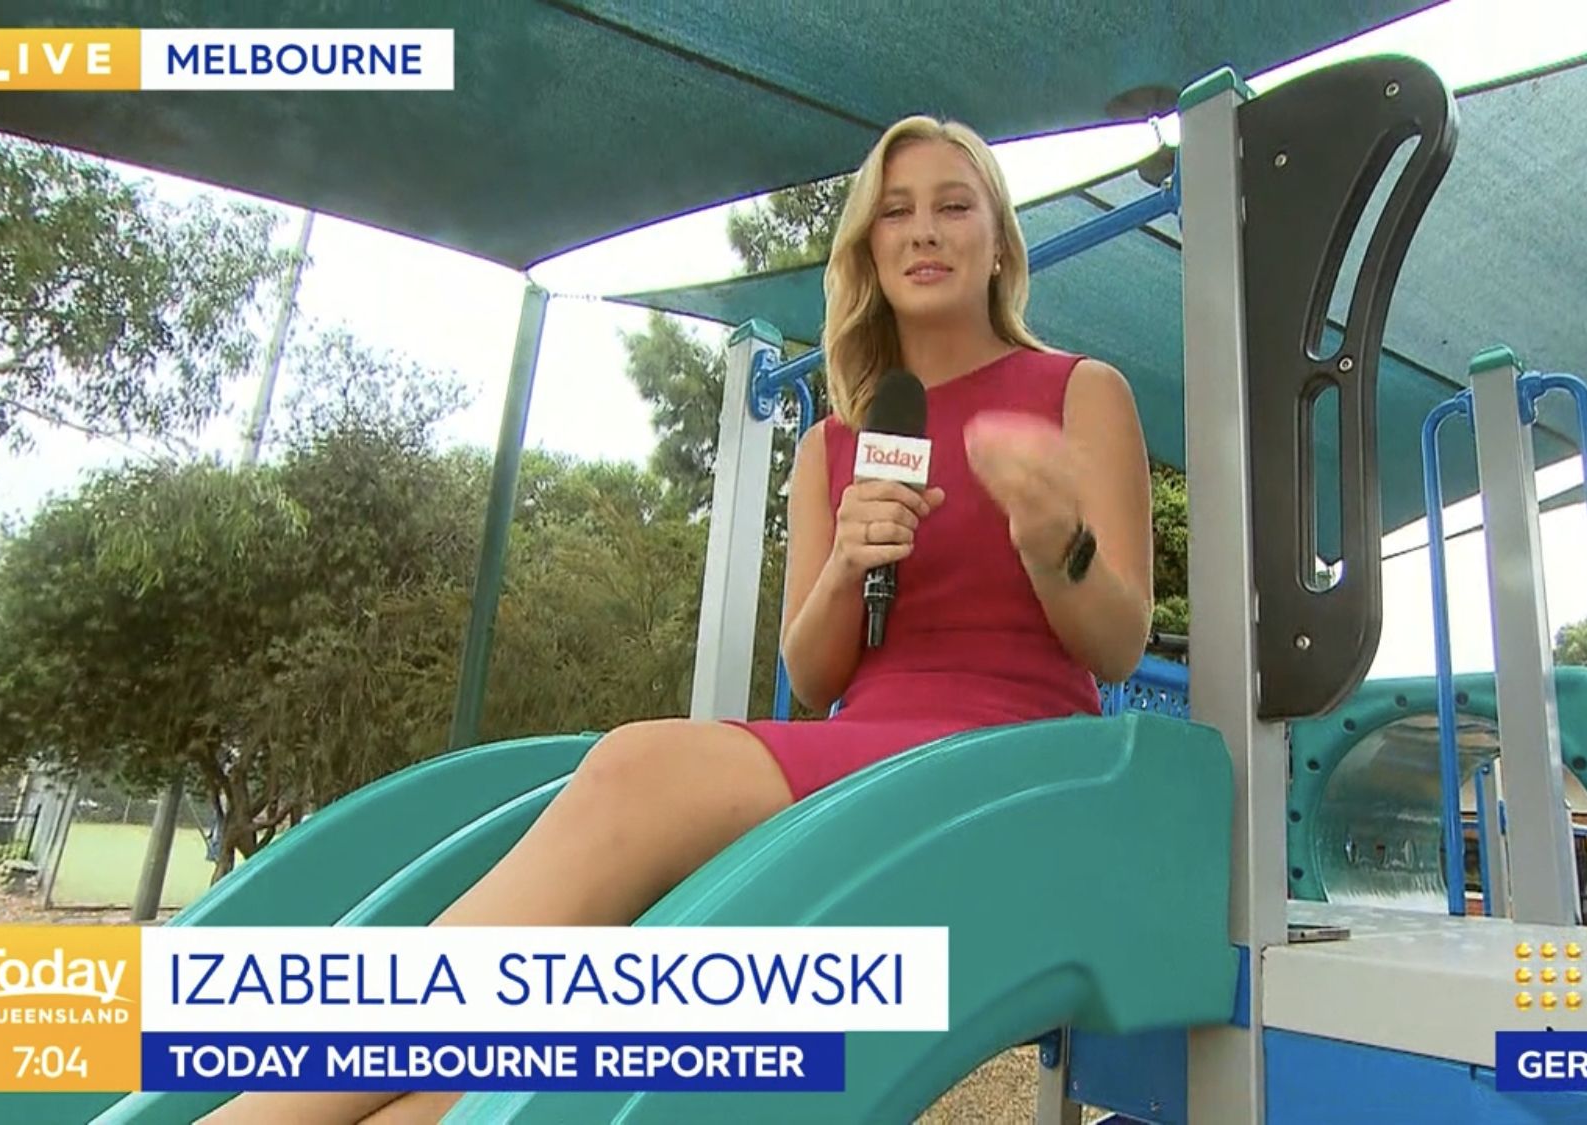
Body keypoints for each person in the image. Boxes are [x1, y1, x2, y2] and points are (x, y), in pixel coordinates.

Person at [202, 114, 1154, 1125]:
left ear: (999, 240)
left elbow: (1119, 642)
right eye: (895, 212)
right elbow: (815, 675)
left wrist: (1058, 545)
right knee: (578, 1016)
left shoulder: (1080, 393)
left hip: (1012, 766)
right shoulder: (835, 443)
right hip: (864, 755)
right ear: (868, 251)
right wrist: (846, 564)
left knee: (638, 766)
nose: (924, 230)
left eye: (953, 206)